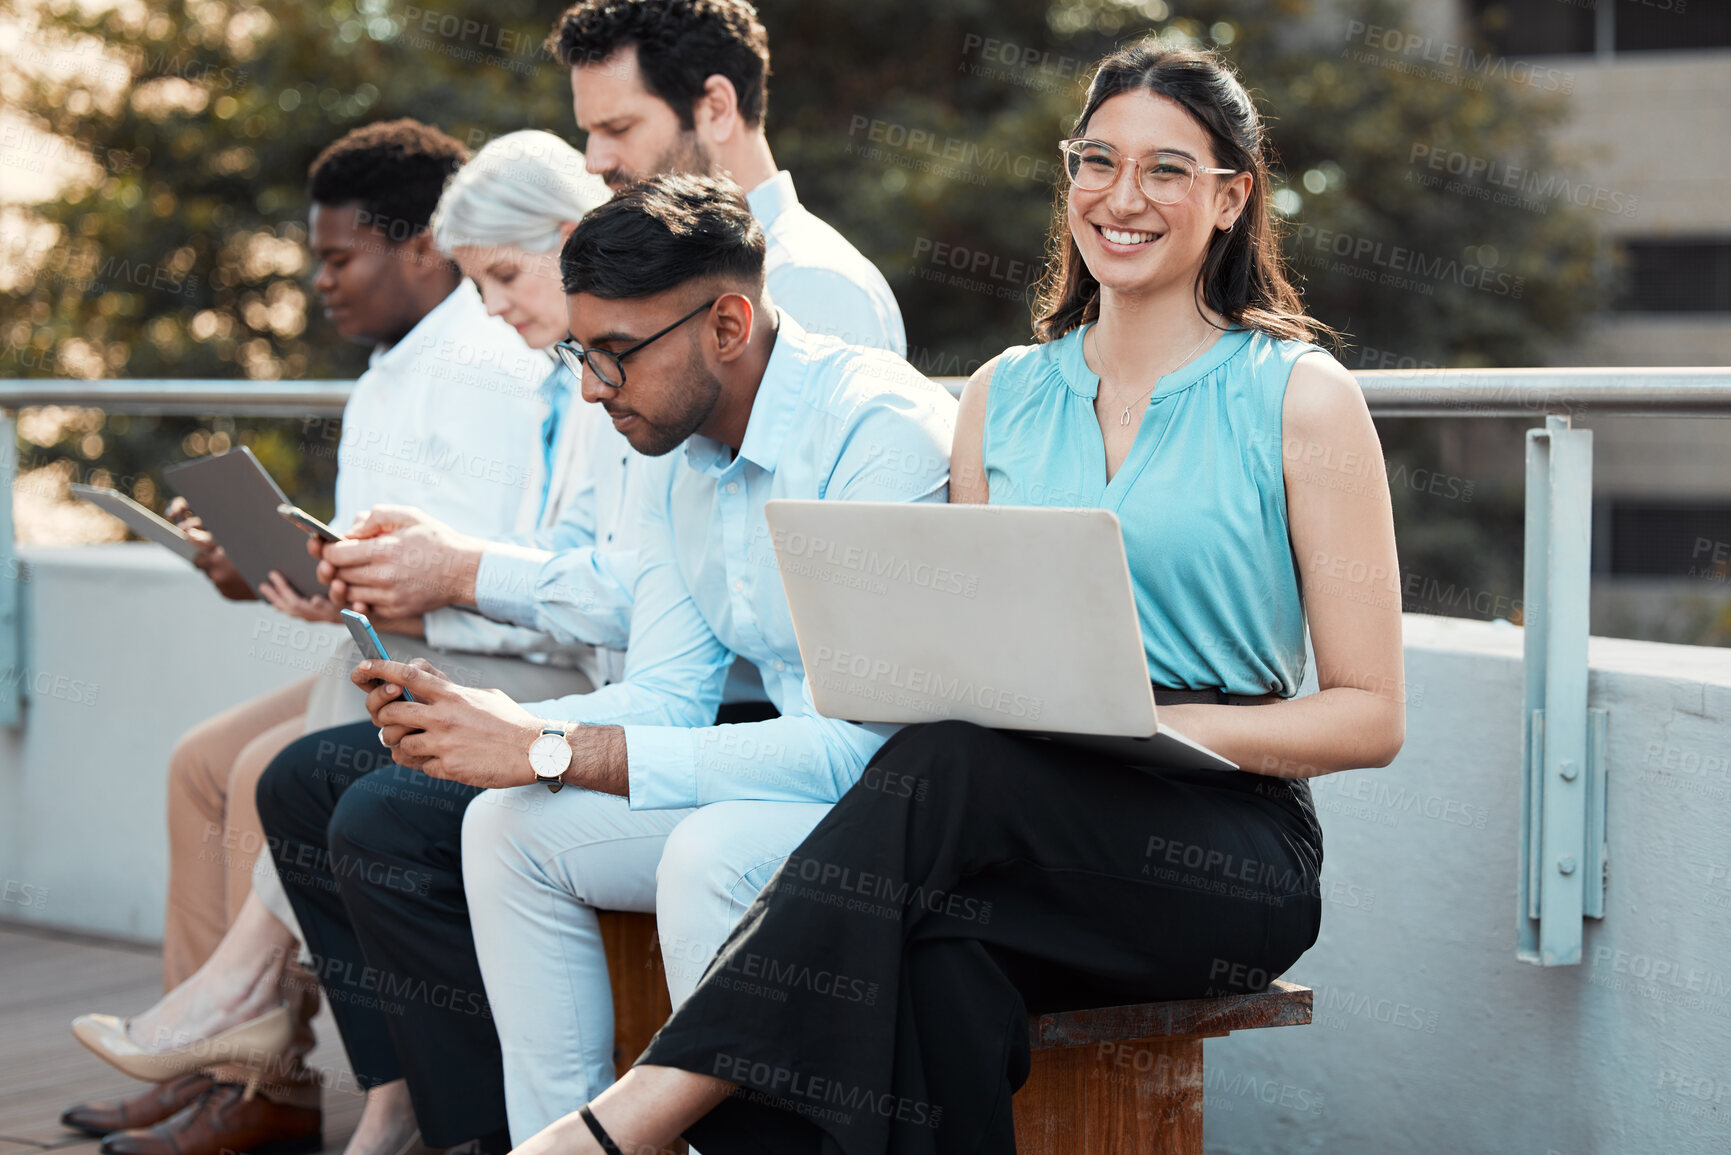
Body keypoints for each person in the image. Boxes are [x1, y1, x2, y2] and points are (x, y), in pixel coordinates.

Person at [500, 43, 1407, 1155]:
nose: (1122, 199)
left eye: (1167, 172)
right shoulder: (1001, 396)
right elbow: (963, 668)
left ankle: (639, 1113)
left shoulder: (1301, 397)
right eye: (1097, 162)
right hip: (1008, 824)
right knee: (932, 961)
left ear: (1229, 199)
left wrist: (1149, 725)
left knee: (952, 766)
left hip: (1221, 843)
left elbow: (1370, 717)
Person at [256, 175, 952, 1155]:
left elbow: (870, 753)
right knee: (508, 824)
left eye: (617, 354)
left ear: (727, 324)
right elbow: (672, 690)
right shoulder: (681, 443)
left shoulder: (878, 435)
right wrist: (493, 721)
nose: (591, 386)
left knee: (705, 852)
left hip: (904, 805)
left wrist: (552, 745)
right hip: (793, 778)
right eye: (584, 352)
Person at [63, 123, 599, 1155]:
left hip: (475, 648)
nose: (319, 281)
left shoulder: (496, 361)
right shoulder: (392, 372)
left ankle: (250, 1041)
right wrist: (266, 569)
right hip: (393, 635)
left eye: (338, 256)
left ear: (420, 247)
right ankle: (233, 1071)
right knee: (201, 763)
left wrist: (366, 582)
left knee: (279, 764)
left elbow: (501, 567)